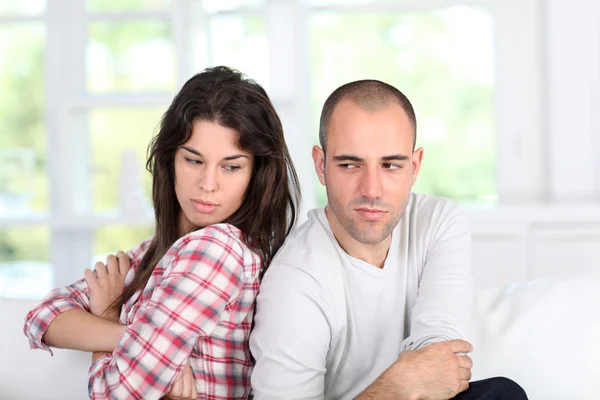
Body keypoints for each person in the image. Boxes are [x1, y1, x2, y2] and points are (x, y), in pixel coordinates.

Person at [23, 66, 300, 400]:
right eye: (194, 161)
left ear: (256, 173)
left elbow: (111, 393)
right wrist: (134, 337)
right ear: (170, 161)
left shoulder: (216, 249)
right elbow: (42, 318)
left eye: (231, 166)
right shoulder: (156, 251)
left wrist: (107, 313)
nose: (208, 185)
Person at [249, 79, 527, 399]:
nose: (372, 189)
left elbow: (440, 358)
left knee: (502, 394)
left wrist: (417, 376)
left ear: (415, 165)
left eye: (391, 165)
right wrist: (396, 386)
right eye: (351, 164)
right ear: (321, 165)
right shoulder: (294, 278)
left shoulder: (437, 222)